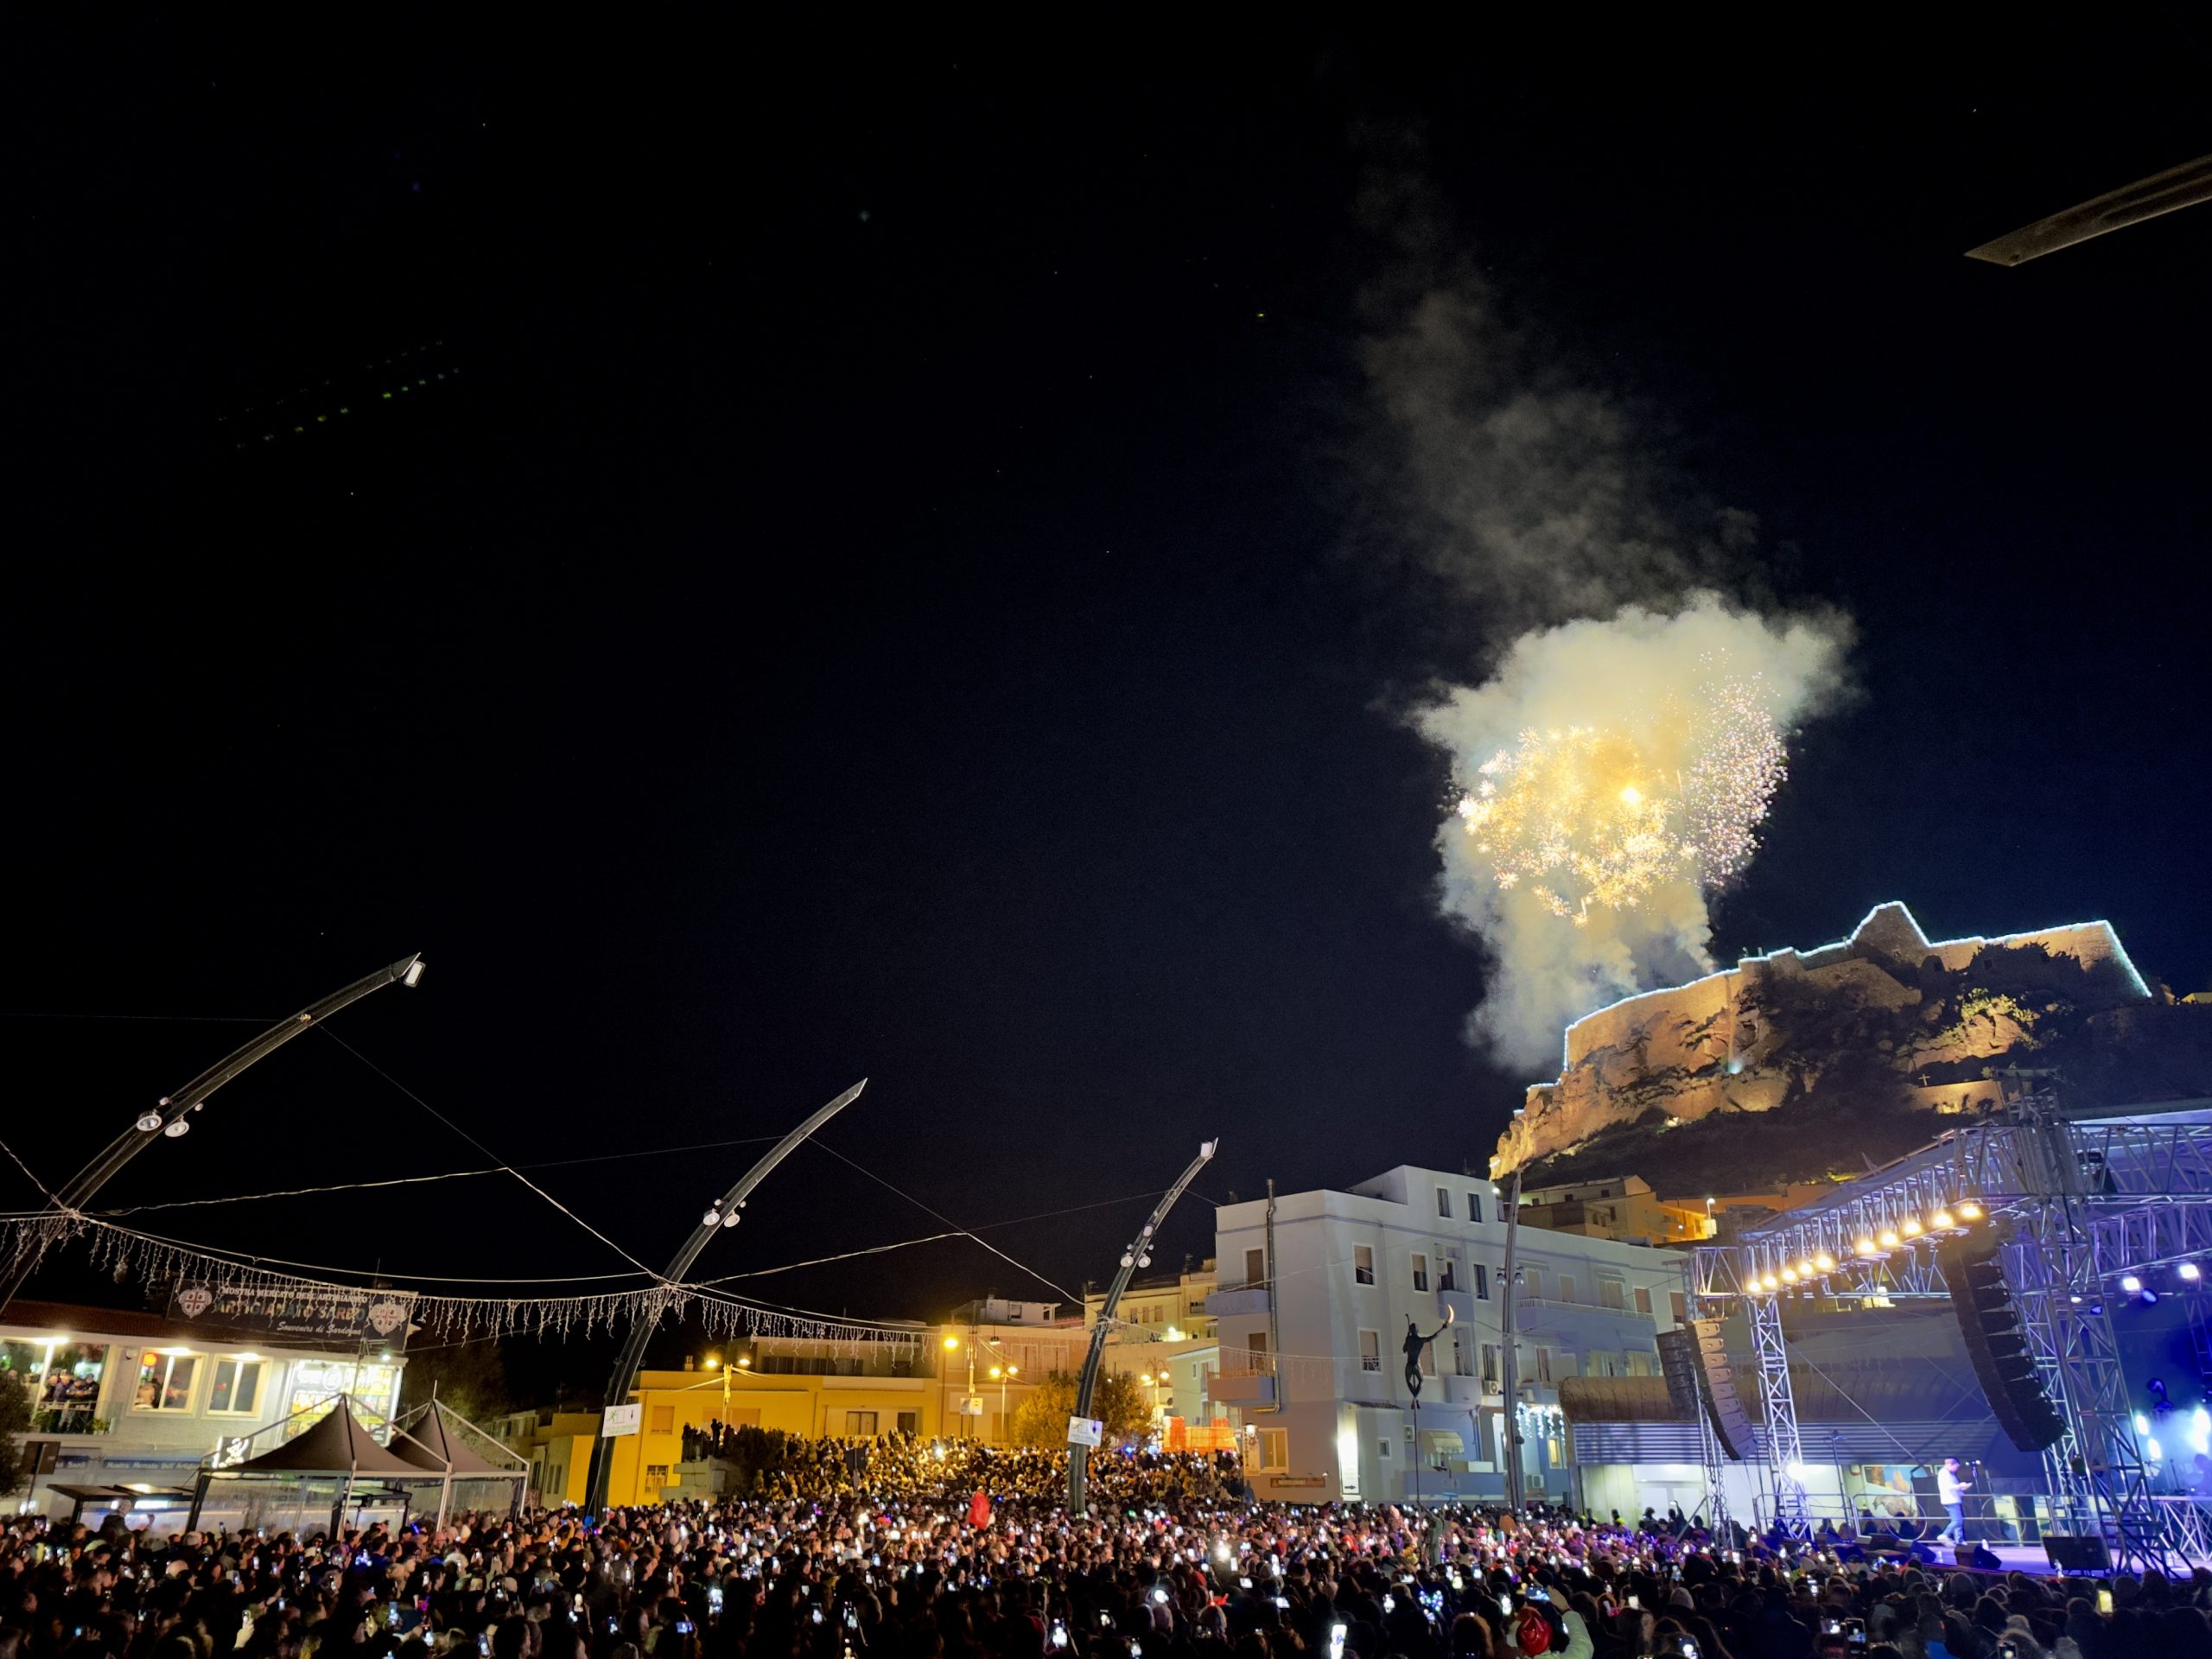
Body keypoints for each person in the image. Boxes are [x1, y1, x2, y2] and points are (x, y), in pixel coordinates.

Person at [1936, 1457, 1971, 1544]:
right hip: (1950, 1500)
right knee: (1957, 1521)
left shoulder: (1949, 1474)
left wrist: (1961, 1489)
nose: (1956, 1469)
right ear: (1950, 1465)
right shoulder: (1944, 1473)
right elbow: (1948, 1486)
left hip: (1953, 1499)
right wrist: (1960, 1486)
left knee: (1958, 1521)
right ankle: (1945, 1534)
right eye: (1956, 1467)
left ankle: (1960, 1540)